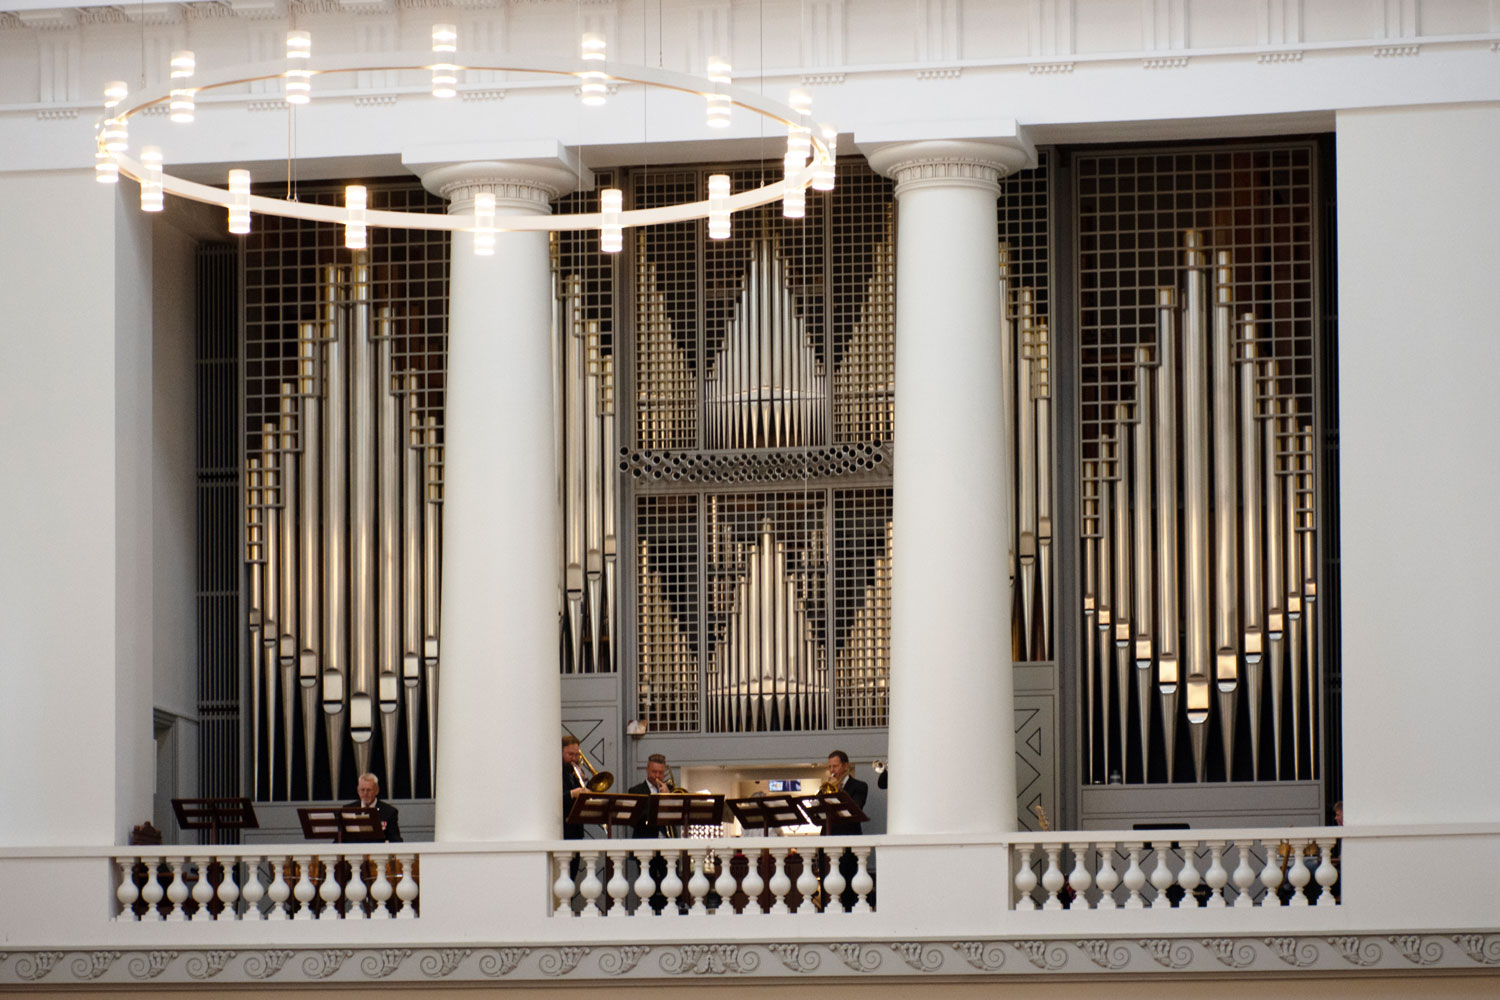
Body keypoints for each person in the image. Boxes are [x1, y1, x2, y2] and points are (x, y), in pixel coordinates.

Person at [345, 772, 402, 842]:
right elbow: (340, 839)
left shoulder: (389, 812)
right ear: (358, 791)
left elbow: (395, 840)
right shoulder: (347, 809)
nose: (365, 793)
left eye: (369, 790)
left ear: (377, 790)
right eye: (362, 790)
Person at [627, 753, 672, 839]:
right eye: (654, 772)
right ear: (647, 770)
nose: (657, 776)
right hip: (644, 840)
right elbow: (634, 821)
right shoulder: (636, 791)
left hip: (668, 841)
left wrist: (668, 797)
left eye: (661, 772)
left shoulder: (670, 790)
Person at [824, 750, 868, 836]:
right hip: (828, 835)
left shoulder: (859, 786)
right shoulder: (826, 787)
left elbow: (855, 808)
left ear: (846, 766)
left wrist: (836, 789)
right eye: (830, 767)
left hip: (848, 835)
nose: (832, 770)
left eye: (835, 766)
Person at [562, 735, 586, 840]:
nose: (574, 758)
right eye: (570, 754)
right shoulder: (555, 771)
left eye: (577, 755)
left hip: (577, 829)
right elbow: (551, 798)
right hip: (563, 828)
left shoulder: (575, 772)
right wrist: (572, 794)